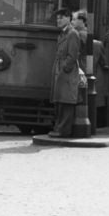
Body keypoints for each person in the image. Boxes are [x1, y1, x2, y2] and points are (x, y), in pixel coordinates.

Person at [48, 8, 81, 138]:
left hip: (67, 71)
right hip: (60, 68)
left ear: (68, 18)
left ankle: (63, 130)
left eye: (61, 18)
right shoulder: (62, 34)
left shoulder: (72, 33)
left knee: (66, 100)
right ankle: (59, 128)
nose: (58, 20)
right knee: (60, 100)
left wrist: (64, 69)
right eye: (57, 18)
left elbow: (73, 55)